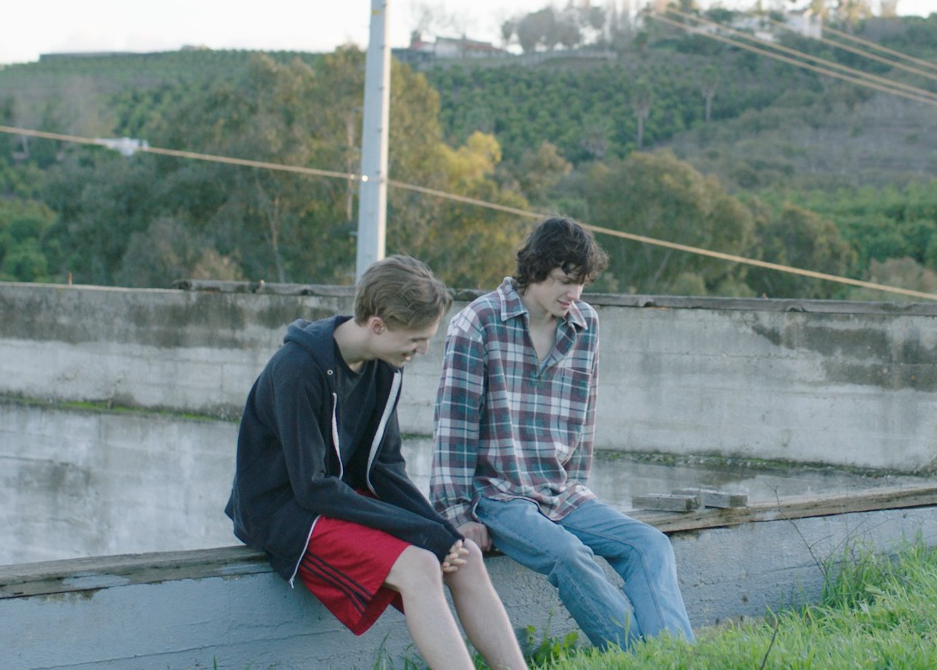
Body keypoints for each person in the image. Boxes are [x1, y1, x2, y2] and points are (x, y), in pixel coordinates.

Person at [226, 255, 527, 670]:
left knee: (465, 555)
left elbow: (385, 468)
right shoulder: (297, 370)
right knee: (420, 566)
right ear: (378, 325)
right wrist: (420, 532)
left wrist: (439, 529)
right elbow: (311, 487)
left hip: (336, 494)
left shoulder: (385, 367)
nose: (423, 349)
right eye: (417, 338)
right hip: (286, 510)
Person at [431, 217, 696, 650]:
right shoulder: (478, 322)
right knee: (570, 555)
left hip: (560, 492)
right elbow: (453, 428)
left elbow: (584, 418)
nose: (574, 293)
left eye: (581, 283)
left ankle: (674, 656)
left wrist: (578, 487)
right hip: (497, 494)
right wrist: (457, 513)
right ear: (535, 270)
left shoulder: (585, 323)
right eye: (564, 280)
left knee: (649, 544)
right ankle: (640, 657)